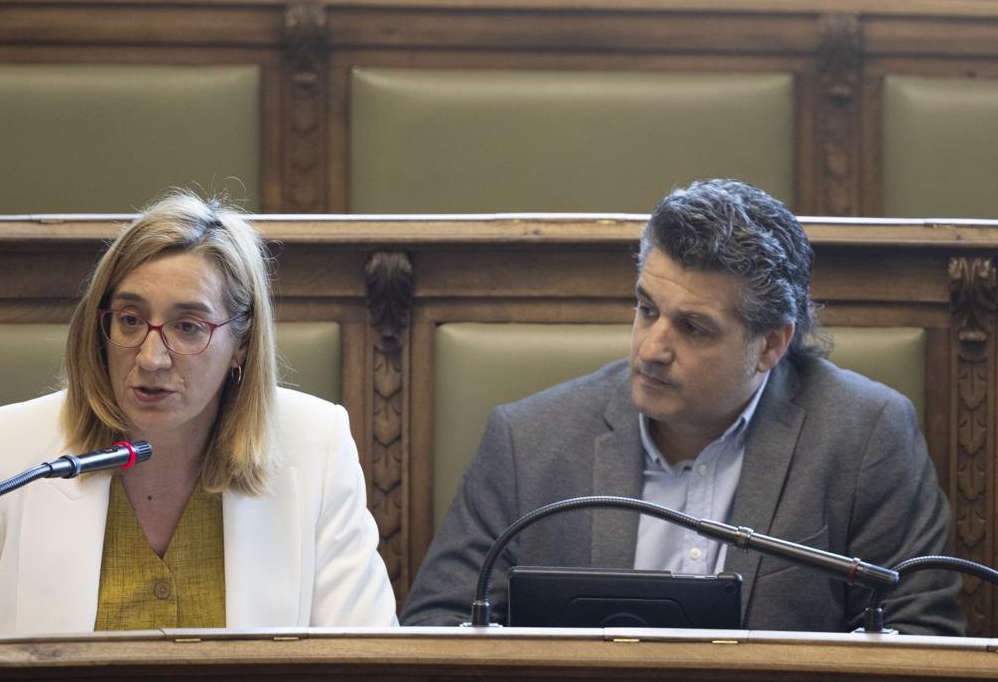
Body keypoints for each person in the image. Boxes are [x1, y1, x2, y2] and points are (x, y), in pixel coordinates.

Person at [0, 192, 397, 682]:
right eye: (130, 320)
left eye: (189, 327)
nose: (152, 358)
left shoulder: (315, 446)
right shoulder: (2, 453)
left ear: (243, 344)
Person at [401, 178, 964, 636]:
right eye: (647, 309)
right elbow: (439, 626)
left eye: (693, 328)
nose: (651, 349)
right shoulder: (529, 440)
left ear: (770, 344)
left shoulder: (865, 436)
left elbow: (920, 637)